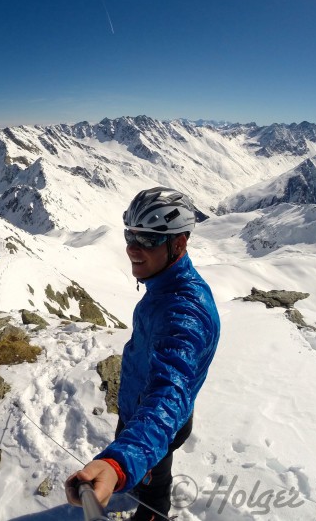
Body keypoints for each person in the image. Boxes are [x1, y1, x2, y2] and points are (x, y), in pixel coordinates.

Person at [65, 186, 221, 521]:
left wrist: (120, 462)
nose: (133, 248)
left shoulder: (185, 313)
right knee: (153, 467)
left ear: (178, 243)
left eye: (149, 239)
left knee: (155, 479)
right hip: (140, 411)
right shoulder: (165, 285)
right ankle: (143, 476)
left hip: (157, 419)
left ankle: (154, 512)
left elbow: (168, 395)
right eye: (130, 235)